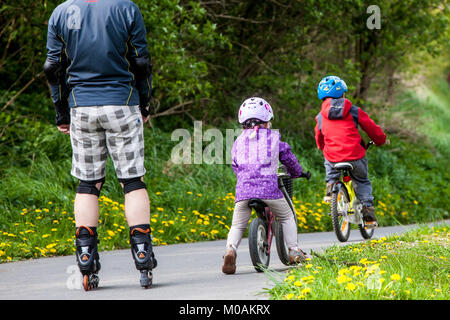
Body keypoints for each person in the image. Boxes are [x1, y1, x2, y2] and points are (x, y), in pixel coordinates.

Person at [43, 0, 156, 290]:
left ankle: (85, 257)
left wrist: (61, 111)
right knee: (132, 182)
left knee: (87, 184)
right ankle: (143, 256)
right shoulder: (126, 8)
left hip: (81, 107)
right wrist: (144, 103)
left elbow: (53, 67)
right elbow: (141, 62)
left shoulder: (61, 12)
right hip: (122, 102)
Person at [222, 97, 307, 274]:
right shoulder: (275, 138)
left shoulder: (238, 142)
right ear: (267, 121)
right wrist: (297, 172)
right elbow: (289, 159)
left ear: (243, 123)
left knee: (237, 225)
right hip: (269, 190)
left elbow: (235, 165)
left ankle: (230, 250)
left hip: (244, 192)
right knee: (287, 216)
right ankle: (293, 250)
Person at [314, 76, 387, 227]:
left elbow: (319, 136)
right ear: (342, 94)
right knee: (361, 180)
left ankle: (331, 186)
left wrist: (322, 146)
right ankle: (368, 210)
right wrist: (381, 140)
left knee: (329, 160)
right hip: (355, 155)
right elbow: (371, 127)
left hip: (333, 157)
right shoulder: (353, 111)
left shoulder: (321, 116)